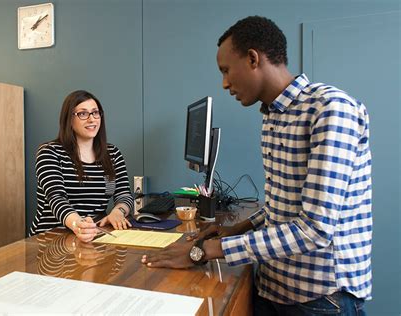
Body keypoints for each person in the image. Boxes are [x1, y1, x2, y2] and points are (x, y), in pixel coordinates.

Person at [142, 16, 371, 315]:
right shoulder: (272, 116)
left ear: (253, 58)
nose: (224, 83)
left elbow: (315, 228)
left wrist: (205, 251)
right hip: (274, 285)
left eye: (226, 71)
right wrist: (237, 228)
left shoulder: (330, 109)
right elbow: (283, 203)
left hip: (320, 298)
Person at [30, 90, 134, 242]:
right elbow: (56, 197)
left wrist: (118, 212)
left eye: (95, 113)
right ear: (69, 119)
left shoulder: (112, 154)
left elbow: (123, 194)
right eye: (83, 114)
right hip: (52, 238)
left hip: (94, 236)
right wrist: (77, 224)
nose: (92, 119)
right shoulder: (49, 152)